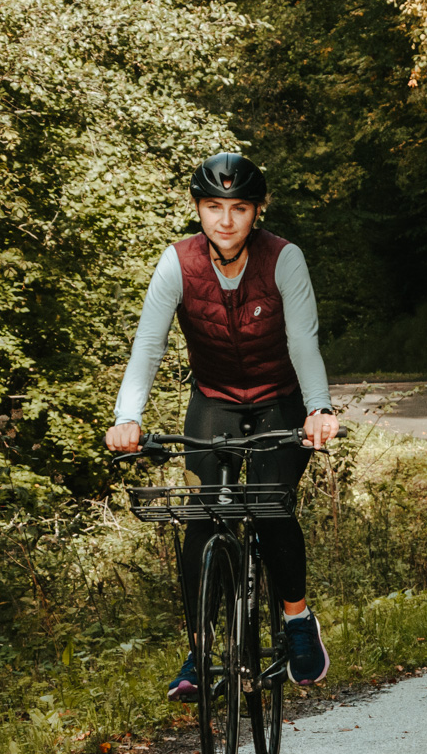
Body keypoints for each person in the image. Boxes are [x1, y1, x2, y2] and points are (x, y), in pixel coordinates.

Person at [105, 151, 340, 695]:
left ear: (258, 210)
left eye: (239, 207)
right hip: (214, 400)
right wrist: (127, 418)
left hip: (279, 399)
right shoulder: (177, 263)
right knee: (204, 516)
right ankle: (200, 650)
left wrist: (319, 408)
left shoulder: (284, 259)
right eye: (213, 206)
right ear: (198, 208)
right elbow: (148, 345)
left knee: (269, 502)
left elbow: (303, 342)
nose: (226, 220)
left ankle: (298, 622)